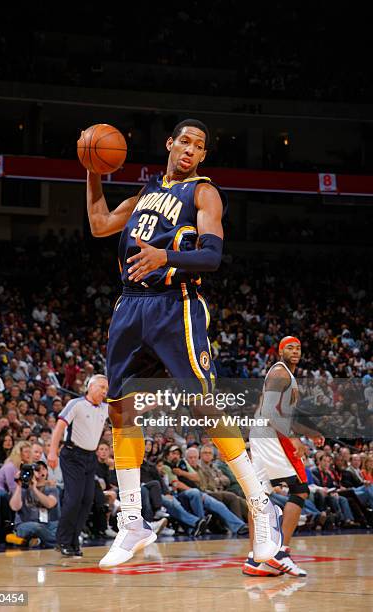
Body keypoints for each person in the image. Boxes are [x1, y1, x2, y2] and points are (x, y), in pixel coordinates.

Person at [87, 118, 282, 568]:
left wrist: (166, 255)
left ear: (202, 155)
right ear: (169, 144)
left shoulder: (202, 192)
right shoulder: (144, 195)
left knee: (202, 404)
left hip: (175, 303)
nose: (191, 149)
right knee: (120, 407)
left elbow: (212, 256)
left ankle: (259, 501)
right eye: (185, 141)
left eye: (199, 145)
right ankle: (132, 519)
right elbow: (99, 224)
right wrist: (93, 172)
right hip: (130, 304)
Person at [244, 336, 325, 578]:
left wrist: (309, 432)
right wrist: (292, 437)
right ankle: (280, 553)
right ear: (280, 351)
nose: (295, 351)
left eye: (299, 347)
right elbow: (269, 411)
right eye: (290, 347)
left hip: (261, 434)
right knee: (300, 489)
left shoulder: (283, 375)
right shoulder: (280, 374)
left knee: (260, 495)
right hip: (270, 436)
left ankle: (256, 559)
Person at [47, 375, 108, 557]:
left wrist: (153, 403)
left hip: (91, 457)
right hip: (72, 456)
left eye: (106, 389)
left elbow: (128, 410)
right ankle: (62, 541)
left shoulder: (106, 408)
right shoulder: (76, 404)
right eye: (101, 387)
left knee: (87, 499)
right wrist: (52, 451)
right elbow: (59, 426)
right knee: (73, 499)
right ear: (90, 387)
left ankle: (73, 541)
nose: (105, 391)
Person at [7, 461, 60, 548]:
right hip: (26, 524)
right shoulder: (23, 489)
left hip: (47, 525)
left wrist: (35, 489)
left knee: (60, 526)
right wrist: (19, 485)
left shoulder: (51, 489)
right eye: (37, 469)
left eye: (43, 469)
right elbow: (14, 507)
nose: (41, 472)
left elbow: (50, 504)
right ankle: (55, 541)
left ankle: (38, 541)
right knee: (36, 527)